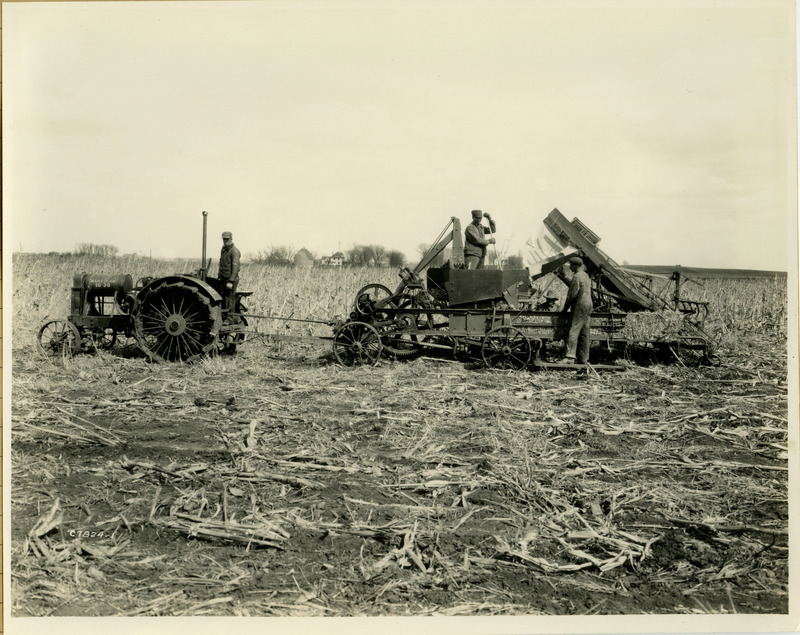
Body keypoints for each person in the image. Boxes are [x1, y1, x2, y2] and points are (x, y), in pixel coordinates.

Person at [557, 256, 593, 364]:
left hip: (580, 305)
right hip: (588, 305)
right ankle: (584, 358)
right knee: (584, 332)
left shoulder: (577, 276)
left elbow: (572, 295)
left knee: (573, 329)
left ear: (576, 266)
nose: (570, 268)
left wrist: (564, 309)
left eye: (571, 265)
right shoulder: (585, 276)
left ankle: (569, 357)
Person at [219, 231, 241, 324]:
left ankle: (230, 318)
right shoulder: (224, 250)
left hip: (230, 279)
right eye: (224, 239)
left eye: (227, 239)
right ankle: (228, 316)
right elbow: (222, 264)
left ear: (231, 239)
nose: (225, 241)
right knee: (224, 297)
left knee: (230, 298)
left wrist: (231, 281)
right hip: (223, 278)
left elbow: (235, 267)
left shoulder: (234, 251)